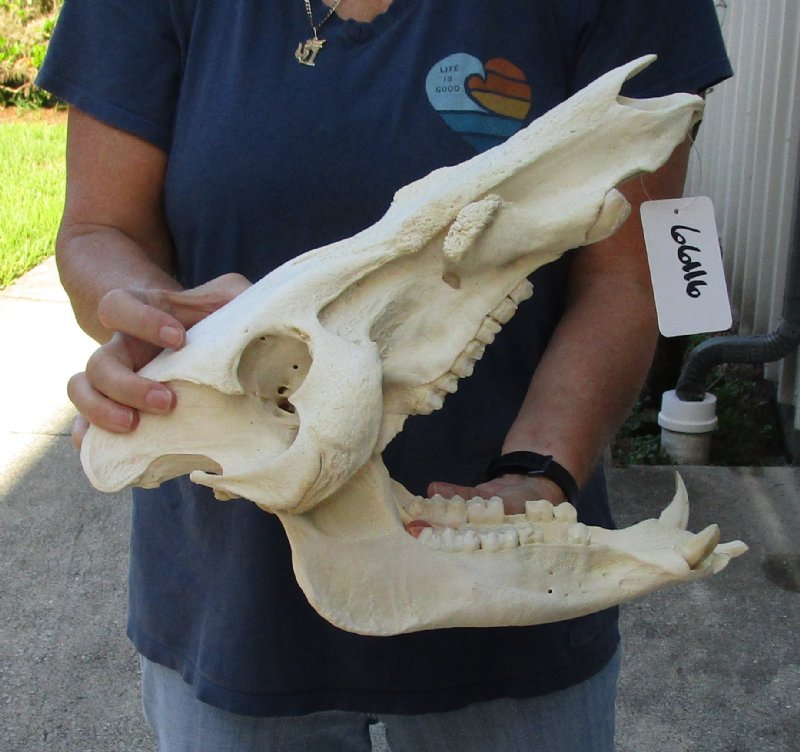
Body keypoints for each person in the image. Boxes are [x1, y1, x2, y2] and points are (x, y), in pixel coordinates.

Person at [37, 1, 731, 749]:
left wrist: (538, 471)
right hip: (228, 609)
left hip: (516, 601)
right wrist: (155, 318)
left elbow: (629, 274)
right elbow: (99, 228)